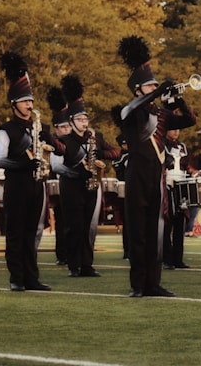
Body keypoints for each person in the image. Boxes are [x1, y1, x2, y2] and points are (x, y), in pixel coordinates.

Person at [116, 35, 196, 297]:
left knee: (156, 231)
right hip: (137, 173)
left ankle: (154, 282)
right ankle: (138, 284)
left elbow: (189, 121)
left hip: (156, 176)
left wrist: (178, 100)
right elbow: (128, 110)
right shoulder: (130, 112)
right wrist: (160, 91)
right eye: (150, 85)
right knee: (138, 231)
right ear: (138, 89)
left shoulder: (161, 114)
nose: (154, 88)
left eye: (155, 85)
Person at [0, 51, 63, 292]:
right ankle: (16, 277)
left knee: (33, 233)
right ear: (14, 104)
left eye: (31, 101)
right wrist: (23, 165)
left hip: (37, 185)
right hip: (16, 186)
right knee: (16, 233)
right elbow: (0, 161)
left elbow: (59, 149)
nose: (30, 105)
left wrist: (50, 140)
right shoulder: (5, 130)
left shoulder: (39, 126)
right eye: (25, 101)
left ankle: (32, 277)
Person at [57, 75, 120, 278]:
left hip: (91, 186)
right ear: (71, 121)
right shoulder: (65, 140)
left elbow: (115, 152)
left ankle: (87, 265)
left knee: (88, 227)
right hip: (71, 186)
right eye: (80, 119)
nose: (84, 122)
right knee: (74, 226)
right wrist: (79, 167)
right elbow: (57, 163)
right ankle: (73, 264)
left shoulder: (96, 138)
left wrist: (99, 155)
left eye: (86, 119)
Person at [46, 86, 71, 266]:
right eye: (63, 127)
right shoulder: (55, 143)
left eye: (69, 126)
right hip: (60, 185)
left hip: (73, 185)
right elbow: (56, 165)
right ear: (56, 128)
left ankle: (73, 253)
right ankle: (62, 255)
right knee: (62, 221)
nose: (67, 129)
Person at [163, 129, 191, 270]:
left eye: (178, 129)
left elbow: (186, 165)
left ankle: (178, 259)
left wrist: (193, 172)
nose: (176, 132)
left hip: (181, 186)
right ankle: (167, 259)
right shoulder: (161, 145)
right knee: (167, 223)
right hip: (166, 185)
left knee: (180, 223)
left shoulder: (183, 147)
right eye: (172, 129)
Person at [111, 133, 129, 259]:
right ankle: (127, 250)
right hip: (124, 191)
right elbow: (118, 166)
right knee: (127, 222)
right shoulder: (120, 156)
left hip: (132, 189)